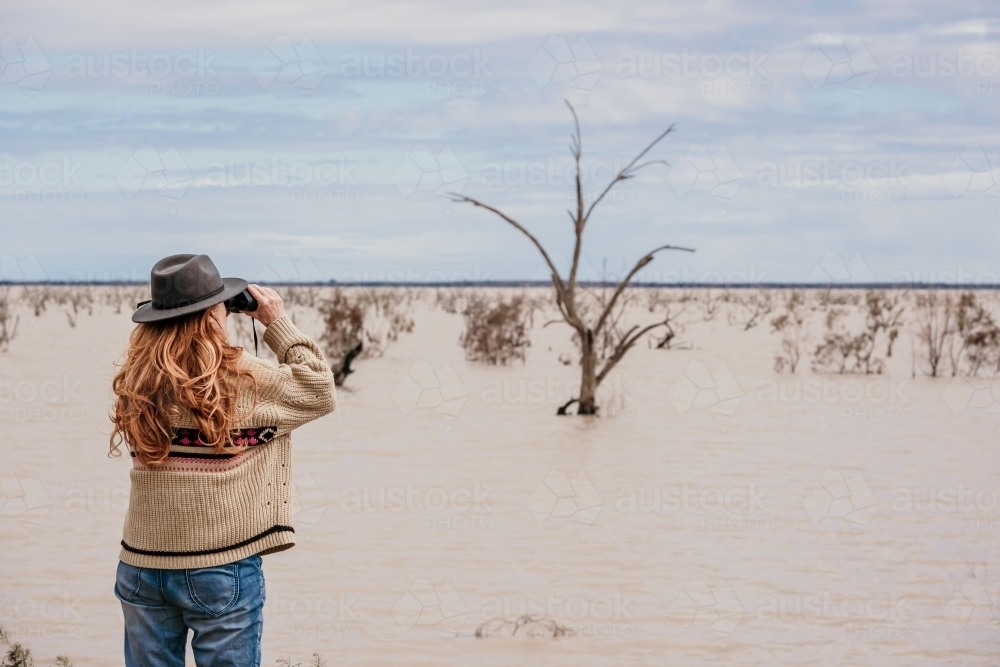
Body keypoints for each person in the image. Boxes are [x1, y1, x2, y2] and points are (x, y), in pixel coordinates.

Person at [108, 254, 336, 667]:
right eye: (222, 307)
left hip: (140, 563)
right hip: (219, 566)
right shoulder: (239, 376)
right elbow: (319, 390)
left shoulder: (138, 381)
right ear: (213, 316)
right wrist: (276, 323)